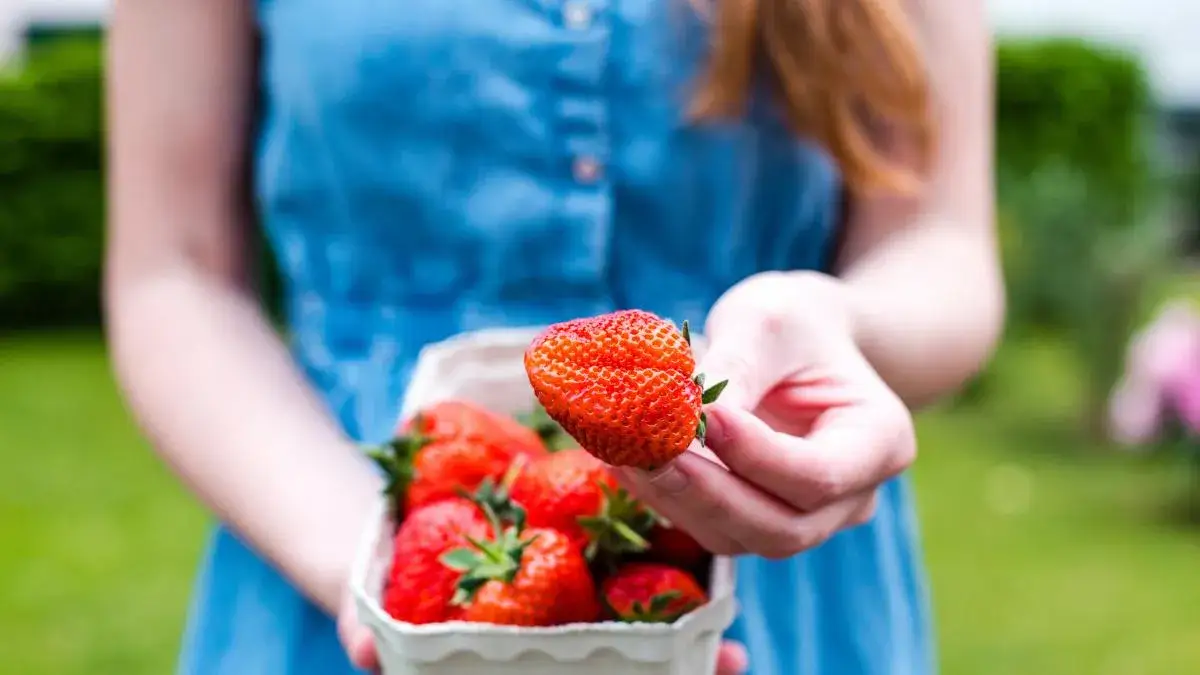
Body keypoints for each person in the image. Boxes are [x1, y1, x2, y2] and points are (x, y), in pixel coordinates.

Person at [103, 0, 1001, 673]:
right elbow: (172, 273)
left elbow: (942, 244)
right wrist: (386, 573)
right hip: (336, 525)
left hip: (765, 552)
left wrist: (838, 324)